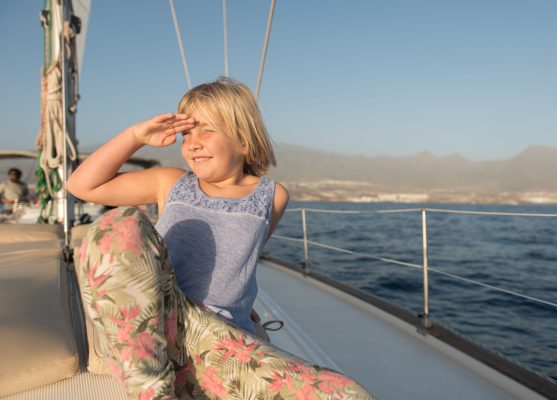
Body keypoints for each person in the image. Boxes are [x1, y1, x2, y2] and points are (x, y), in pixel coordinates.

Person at [66, 77, 373, 399]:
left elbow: (242, 262)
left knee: (349, 394)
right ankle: (150, 386)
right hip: (155, 326)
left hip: (218, 341)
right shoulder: (170, 183)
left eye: (207, 130)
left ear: (244, 140)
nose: (193, 143)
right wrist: (135, 136)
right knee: (120, 224)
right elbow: (82, 186)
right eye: (187, 133)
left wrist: (243, 305)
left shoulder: (272, 196)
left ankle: (182, 381)